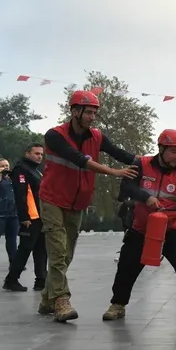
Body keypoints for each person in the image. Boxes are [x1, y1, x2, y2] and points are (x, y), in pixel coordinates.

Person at [38, 89, 138, 322]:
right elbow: (80, 159)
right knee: (58, 250)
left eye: (95, 113)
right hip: (52, 199)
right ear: (74, 111)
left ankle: (46, 298)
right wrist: (114, 172)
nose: (92, 117)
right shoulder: (55, 135)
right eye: (88, 112)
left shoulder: (97, 137)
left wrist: (151, 163)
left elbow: (121, 154)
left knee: (67, 254)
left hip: (78, 203)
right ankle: (61, 301)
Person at [103, 129, 176, 324]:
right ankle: (118, 304)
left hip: (172, 227)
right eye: (172, 151)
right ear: (160, 148)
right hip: (142, 226)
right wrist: (146, 197)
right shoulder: (141, 164)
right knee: (127, 265)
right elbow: (127, 186)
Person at [3, 144, 47, 292]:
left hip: (40, 217)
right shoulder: (21, 170)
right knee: (25, 249)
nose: (40, 156)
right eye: (36, 153)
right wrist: (24, 217)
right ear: (27, 153)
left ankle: (41, 280)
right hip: (30, 218)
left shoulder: (35, 170)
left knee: (41, 249)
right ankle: (11, 280)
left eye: (41, 154)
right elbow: (21, 195)